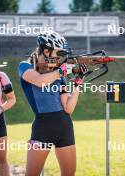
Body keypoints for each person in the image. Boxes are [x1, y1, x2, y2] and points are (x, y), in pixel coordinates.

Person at [18, 30, 86, 176]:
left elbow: (68, 108)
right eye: (58, 53)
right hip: (42, 127)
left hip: (64, 126)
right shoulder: (25, 67)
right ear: (46, 50)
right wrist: (62, 71)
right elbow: (40, 81)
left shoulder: (57, 74)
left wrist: (78, 83)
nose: (60, 58)